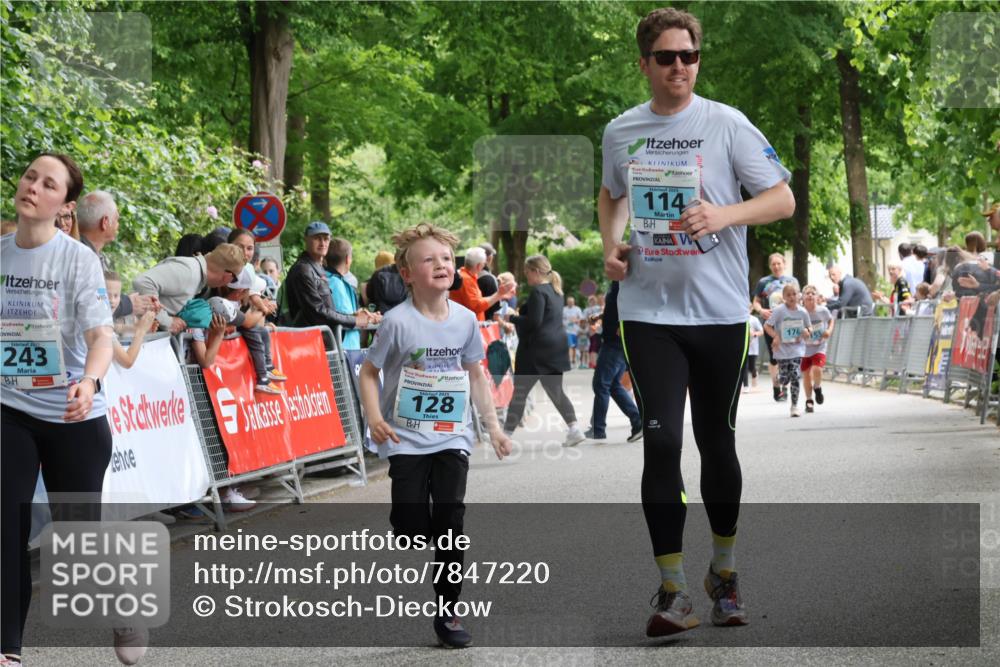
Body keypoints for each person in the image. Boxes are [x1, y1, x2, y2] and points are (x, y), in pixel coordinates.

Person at [599, 7, 794, 636]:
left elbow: (782, 198)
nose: (679, 66)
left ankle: (726, 573)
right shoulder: (621, 131)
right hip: (649, 314)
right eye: (666, 57)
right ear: (645, 64)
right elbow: (612, 194)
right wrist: (610, 243)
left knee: (718, 444)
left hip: (718, 314)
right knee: (660, 442)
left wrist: (725, 215)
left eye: (689, 56)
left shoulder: (727, 124)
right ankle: (674, 589)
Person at [1, 154, 146, 665]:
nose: (33, 187)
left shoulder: (78, 259)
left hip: (73, 416)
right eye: (29, 177)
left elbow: (100, 336)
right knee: (5, 527)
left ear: (64, 204)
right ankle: (8, 651)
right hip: (11, 410)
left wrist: (89, 379)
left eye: (49, 184)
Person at [358, 223, 512, 649]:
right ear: (407, 274)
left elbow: (476, 374)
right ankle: (419, 529)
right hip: (405, 438)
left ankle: (448, 612)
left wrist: (493, 427)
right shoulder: (396, 322)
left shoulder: (465, 320)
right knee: (409, 528)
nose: (442, 265)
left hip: (451, 437)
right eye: (429, 259)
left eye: (446, 258)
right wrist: (374, 417)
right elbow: (369, 373)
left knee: (451, 519)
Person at [502, 255, 586, 446]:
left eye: (527, 272)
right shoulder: (557, 292)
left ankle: (506, 435)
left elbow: (534, 322)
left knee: (520, 392)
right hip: (556, 347)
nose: (526, 276)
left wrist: (511, 318)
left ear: (536, 271)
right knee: (556, 391)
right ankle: (574, 428)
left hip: (536, 350)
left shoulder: (538, 291)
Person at [76, 191, 157, 320]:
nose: (118, 225)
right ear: (105, 222)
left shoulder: (89, 254)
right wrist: (128, 304)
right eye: (117, 219)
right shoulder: (82, 259)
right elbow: (93, 307)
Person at [283, 222, 377, 332]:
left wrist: (353, 316)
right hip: (308, 340)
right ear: (306, 240)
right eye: (317, 238)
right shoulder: (303, 270)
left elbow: (326, 310)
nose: (322, 243)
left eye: (326, 239)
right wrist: (353, 320)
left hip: (318, 338)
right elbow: (317, 311)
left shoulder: (319, 268)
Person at [132, 243, 246, 334]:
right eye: (234, 279)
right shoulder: (189, 271)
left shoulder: (196, 275)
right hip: (128, 334)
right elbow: (143, 282)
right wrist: (166, 321)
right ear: (228, 276)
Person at [209, 268, 286, 394]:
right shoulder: (225, 303)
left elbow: (250, 320)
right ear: (241, 291)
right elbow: (248, 322)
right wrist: (264, 309)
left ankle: (268, 366)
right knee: (255, 333)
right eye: (253, 292)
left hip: (239, 328)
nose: (257, 296)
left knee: (263, 331)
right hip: (219, 343)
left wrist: (262, 312)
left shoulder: (238, 301)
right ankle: (263, 378)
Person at [585, 282, 642, 442]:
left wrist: (621, 326)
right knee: (613, 385)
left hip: (615, 341)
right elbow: (615, 307)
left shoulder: (626, 283)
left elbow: (633, 305)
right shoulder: (616, 283)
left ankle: (598, 429)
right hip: (613, 340)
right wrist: (600, 316)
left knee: (601, 384)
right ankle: (637, 421)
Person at [752, 253, 799, 401]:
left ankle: (785, 387)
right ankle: (776, 387)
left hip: (789, 323)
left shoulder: (792, 281)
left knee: (789, 355)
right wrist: (761, 310)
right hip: (771, 323)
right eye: (774, 264)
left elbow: (799, 299)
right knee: (775, 355)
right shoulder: (764, 282)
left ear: (784, 264)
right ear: (770, 266)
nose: (776, 266)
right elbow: (756, 302)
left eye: (779, 264)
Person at [764, 284, 809, 418]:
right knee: (784, 379)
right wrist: (776, 336)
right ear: (783, 297)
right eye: (788, 295)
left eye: (794, 294)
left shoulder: (802, 312)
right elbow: (767, 326)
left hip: (797, 349)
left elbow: (809, 327)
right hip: (782, 351)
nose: (791, 297)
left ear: (799, 295)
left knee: (795, 375)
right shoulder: (779, 311)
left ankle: (794, 406)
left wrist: (807, 332)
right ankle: (779, 379)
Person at [104, 271, 158, 369]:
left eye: (116, 296)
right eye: (107, 296)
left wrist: (134, 328)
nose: (112, 300)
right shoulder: (102, 327)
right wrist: (140, 331)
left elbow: (115, 327)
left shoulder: (100, 319)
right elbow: (127, 362)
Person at [448, 247, 513, 322]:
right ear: (479, 266)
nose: (484, 266)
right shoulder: (466, 279)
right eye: (484, 264)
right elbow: (477, 306)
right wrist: (498, 295)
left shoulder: (467, 276)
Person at [800, 285, 834, 412]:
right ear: (802, 298)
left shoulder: (823, 311)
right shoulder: (800, 312)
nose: (810, 295)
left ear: (817, 297)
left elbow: (831, 320)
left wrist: (828, 331)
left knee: (817, 369)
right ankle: (809, 401)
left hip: (819, 346)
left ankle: (817, 387)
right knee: (806, 375)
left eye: (813, 293)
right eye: (807, 293)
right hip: (804, 348)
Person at [326, 238, 362, 350]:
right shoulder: (336, 283)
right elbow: (345, 316)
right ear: (347, 259)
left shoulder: (325, 278)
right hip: (346, 349)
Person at [366, 250, 408, 315]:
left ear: (395, 258)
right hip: (404, 314)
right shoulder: (410, 275)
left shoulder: (378, 273)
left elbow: (369, 294)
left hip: (380, 314)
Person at [478, 242, 502, 320]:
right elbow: (496, 307)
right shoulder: (489, 279)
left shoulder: (466, 275)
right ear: (489, 258)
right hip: (486, 323)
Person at [742, 306, 763, 392]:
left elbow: (761, 331)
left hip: (753, 348)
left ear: (751, 309)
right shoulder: (740, 319)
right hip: (743, 347)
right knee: (744, 367)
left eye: (748, 308)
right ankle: (746, 386)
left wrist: (754, 334)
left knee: (751, 367)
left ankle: (754, 374)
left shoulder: (754, 319)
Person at [562, 296, 584, 367]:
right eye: (569, 302)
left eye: (572, 302)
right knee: (570, 346)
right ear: (567, 302)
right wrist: (566, 322)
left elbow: (581, 319)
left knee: (574, 347)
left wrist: (576, 320)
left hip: (576, 330)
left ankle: (574, 361)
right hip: (567, 330)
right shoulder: (564, 309)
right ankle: (570, 361)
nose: (570, 303)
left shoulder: (577, 309)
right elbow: (560, 319)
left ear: (574, 302)